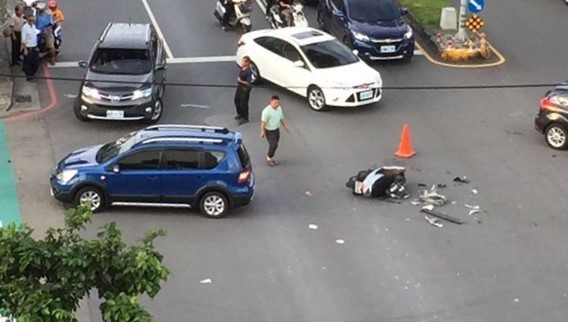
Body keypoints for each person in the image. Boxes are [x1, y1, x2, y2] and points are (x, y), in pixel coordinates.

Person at [260, 95, 290, 166]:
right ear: (271, 102)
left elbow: (281, 118)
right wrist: (262, 131)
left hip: (276, 129)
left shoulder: (279, 108)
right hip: (269, 131)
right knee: (273, 144)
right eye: (275, 103)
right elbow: (263, 122)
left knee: (275, 145)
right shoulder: (266, 111)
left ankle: (271, 157)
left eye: (278, 103)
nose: (277, 104)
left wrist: (285, 126)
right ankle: (269, 157)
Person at [234, 56, 252, 125]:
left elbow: (248, 82)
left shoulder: (248, 71)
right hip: (240, 87)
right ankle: (240, 113)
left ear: (247, 63)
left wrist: (241, 81)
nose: (242, 62)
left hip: (245, 89)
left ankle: (245, 117)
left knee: (243, 103)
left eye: (243, 61)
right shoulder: (243, 68)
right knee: (237, 100)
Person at [21, 14, 39, 81]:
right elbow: (23, 39)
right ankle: (29, 77)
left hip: (34, 47)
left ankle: (32, 74)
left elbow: (34, 37)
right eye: (30, 20)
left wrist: (36, 46)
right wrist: (25, 49)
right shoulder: (25, 28)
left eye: (32, 19)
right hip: (28, 48)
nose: (32, 21)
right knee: (28, 63)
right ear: (27, 20)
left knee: (36, 62)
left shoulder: (33, 26)